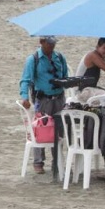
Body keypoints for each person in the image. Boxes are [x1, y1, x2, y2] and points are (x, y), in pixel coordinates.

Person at [19, 36, 69, 173]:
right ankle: (38, 162)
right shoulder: (33, 59)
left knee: (58, 130)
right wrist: (24, 97)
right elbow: (25, 80)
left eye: (53, 43)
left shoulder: (59, 57)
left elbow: (65, 74)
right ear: (41, 42)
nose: (51, 46)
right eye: (49, 43)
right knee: (40, 129)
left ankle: (57, 161)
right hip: (43, 99)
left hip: (59, 98)